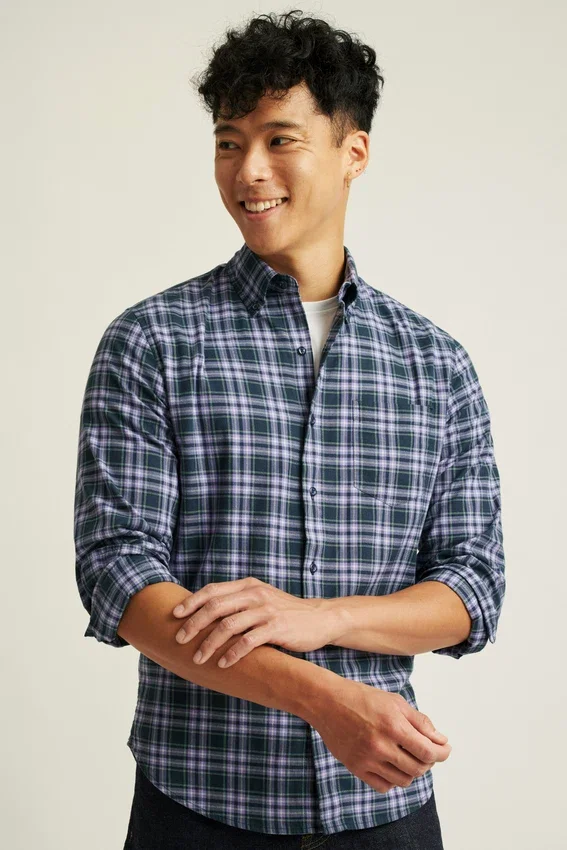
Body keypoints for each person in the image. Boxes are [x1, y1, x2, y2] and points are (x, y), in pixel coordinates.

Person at [74, 10, 506, 849]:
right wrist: (322, 699)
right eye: (228, 143)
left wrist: (323, 618)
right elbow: (120, 577)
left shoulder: (435, 364)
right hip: (197, 805)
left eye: (280, 140)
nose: (249, 171)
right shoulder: (154, 341)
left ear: (353, 152)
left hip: (384, 810)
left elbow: (470, 589)